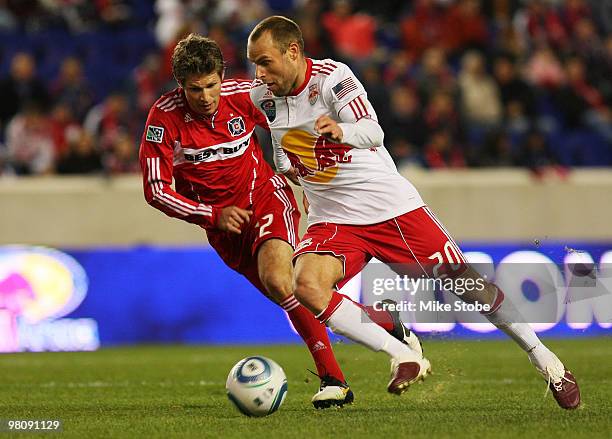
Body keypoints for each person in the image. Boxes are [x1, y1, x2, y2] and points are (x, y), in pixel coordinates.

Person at [247, 15, 580, 409]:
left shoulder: (332, 77)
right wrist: (286, 166)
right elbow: (280, 137)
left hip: (388, 207)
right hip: (332, 216)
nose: (259, 72)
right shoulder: (261, 95)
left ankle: (545, 359)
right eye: (254, 63)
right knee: (306, 287)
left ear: (293, 51)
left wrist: (342, 131)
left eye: (265, 61)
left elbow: (373, 132)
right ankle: (403, 352)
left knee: (469, 285)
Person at [138, 34, 413, 409]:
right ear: (180, 85)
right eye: (194, 89)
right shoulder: (164, 118)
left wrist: (301, 170)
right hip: (223, 228)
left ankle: (334, 380)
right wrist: (212, 215)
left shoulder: (243, 95)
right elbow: (156, 189)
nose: (205, 97)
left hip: (266, 198)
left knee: (280, 278)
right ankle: (383, 321)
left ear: (222, 76)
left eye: (211, 85)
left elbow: (286, 121)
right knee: (292, 295)